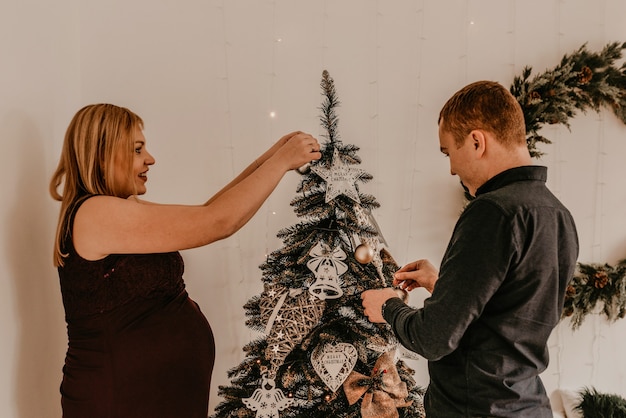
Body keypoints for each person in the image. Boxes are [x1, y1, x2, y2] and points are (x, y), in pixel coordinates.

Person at [50, 103, 321, 418]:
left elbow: (211, 209)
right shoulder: (96, 213)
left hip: (151, 396)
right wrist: (282, 161)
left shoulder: (113, 210)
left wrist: (274, 156)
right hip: (121, 398)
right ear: (102, 155)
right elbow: (218, 222)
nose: (150, 159)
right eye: (138, 150)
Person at [361, 81, 579, 417]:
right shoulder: (558, 214)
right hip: (528, 407)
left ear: (477, 141)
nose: (451, 169)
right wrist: (443, 284)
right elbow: (509, 313)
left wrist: (387, 307)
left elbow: (433, 338)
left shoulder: (492, 211)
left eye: (449, 152)